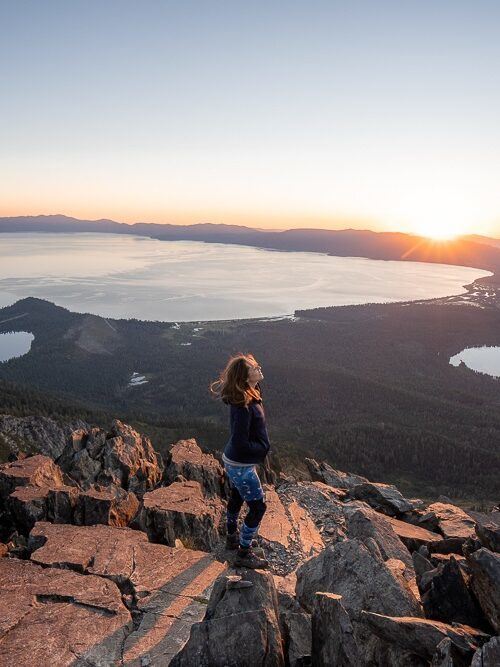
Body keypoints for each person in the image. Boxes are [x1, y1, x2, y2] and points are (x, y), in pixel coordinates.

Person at [210, 353, 270, 568]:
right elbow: (240, 442)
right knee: (258, 507)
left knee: (237, 495)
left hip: (236, 461)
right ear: (245, 377)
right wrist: (262, 448)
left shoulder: (249, 394)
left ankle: (231, 535)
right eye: (254, 367)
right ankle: (244, 552)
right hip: (241, 465)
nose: (259, 368)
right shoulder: (243, 407)